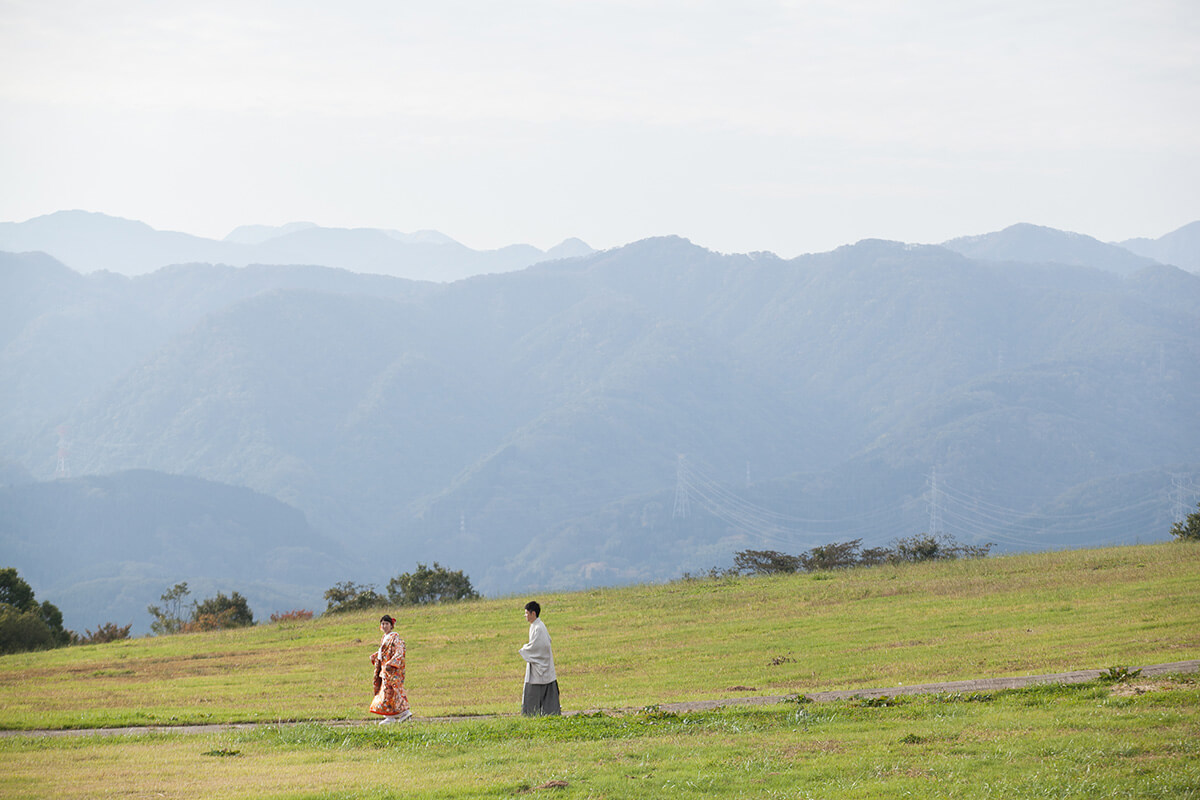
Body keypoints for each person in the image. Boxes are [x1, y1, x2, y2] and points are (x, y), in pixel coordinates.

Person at [518, 600, 560, 716]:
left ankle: (534, 715)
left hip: (541, 669)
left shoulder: (539, 627)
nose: (525, 616)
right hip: (538, 666)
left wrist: (525, 650)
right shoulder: (535, 626)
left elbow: (542, 645)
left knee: (534, 694)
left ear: (533, 613)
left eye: (527, 613)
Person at [369, 614, 412, 724]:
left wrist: (392, 663)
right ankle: (390, 716)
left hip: (391, 671)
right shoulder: (385, 638)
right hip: (385, 671)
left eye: (386, 624)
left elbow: (400, 651)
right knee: (386, 693)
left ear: (391, 626)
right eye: (382, 624)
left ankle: (404, 713)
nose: (384, 626)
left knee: (393, 692)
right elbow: (382, 652)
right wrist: (375, 656)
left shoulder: (395, 638)